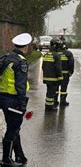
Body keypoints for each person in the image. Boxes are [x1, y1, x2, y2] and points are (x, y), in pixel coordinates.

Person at [0, 33, 31, 166]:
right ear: (26, 47)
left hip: (2, 98)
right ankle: (6, 160)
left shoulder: (6, 57)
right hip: (13, 100)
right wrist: (22, 104)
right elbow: (20, 86)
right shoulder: (20, 62)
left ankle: (19, 156)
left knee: (14, 128)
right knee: (12, 130)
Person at [42, 39, 63, 111]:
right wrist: (60, 77)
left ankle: (48, 105)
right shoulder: (56, 56)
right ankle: (49, 107)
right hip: (53, 78)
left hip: (46, 77)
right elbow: (58, 68)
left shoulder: (46, 55)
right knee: (51, 93)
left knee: (48, 92)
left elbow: (43, 67)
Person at [58, 42, 74, 106]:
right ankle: (62, 101)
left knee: (55, 88)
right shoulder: (69, 53)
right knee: (64, 88)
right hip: (65, 74)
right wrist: (71, 72)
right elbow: (71, 63)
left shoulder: (56, 53)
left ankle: (55, 100)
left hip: (56, 74)